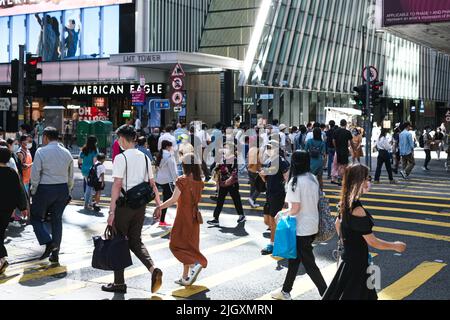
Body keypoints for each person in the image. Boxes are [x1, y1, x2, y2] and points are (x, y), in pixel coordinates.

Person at [323, 164, 406, 300]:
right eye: (367, 178)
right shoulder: (357, 210)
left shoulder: (345, 203)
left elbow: (337, 224)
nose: (369, 182)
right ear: (358, 181)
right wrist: (395, 245)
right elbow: (373, 242)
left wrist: (347, 243)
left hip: (350, 260)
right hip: (357, 264)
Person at [104, 125, 162, 294]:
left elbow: (117, 185)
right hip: (140, 206)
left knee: (118, 241)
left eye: (118, 138)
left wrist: (111, 212)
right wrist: (158, 204)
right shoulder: (144, 157)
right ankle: (153, 269)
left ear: (122, 139)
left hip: (124, 206)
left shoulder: (121, 158)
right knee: (136, 241)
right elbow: (152, 184)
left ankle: (119, 283)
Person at [271, 150, 327, 300]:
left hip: (301, 229)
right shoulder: (313, 178)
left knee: (309, 264)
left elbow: (295, 209)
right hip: (312, 226)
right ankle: (285, 291)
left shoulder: (295, 182)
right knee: (294, 260)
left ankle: (326, 293)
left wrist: (280, 214)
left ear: (294, 163)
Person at [155, 153, 207, 286]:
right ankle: (185, 277)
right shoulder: (200, 182)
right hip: (194, 218)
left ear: (185, 166)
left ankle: (195, 264)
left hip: (183, 217)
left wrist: (159, 207)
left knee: (175, 245)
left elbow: (173, 200)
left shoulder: (182, 181)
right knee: (189, 246)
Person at [30, 127, 74, 263]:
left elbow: (35, 173)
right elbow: (70, 176)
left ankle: (48, 242)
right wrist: (68, 190)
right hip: (62, 189)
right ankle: (55, 254)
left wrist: (33, 189)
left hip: (44, 188)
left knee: (36, 218)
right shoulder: (67, 153)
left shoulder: (41, 151)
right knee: (57, 220)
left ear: (46, 137)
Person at [0, 147, 28, 274]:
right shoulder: (12, 172)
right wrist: (23, 207)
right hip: (7, 209)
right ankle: (2, 259)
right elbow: (20, 191)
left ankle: (2, 258)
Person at [260, 142, 290, 255]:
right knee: (267, 221)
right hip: (269, 193)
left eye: (270, 148)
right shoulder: (268, 161)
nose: (268, 150)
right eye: (267, 148)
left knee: (273, 221)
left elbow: (287, 179)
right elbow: (266, 180)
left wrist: (287, 197)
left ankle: (273, 244)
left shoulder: (282, 162)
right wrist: (263, 177)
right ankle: (277, 241)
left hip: (278, 194)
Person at [207, 143, 246, 226]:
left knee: (236, 200)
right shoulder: (223, 158)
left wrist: (226, 182)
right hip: (223, 183)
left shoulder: (234, 160)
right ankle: (215, 218)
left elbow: (234, 173)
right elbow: (215, 168)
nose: (224, 150)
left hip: (232, 184)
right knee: (220, 201)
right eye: (224, 148)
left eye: (226, 148)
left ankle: (241, 215)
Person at [155, 140, 178, 227]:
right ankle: (162, 220)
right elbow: (173, 171)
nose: (172, 148)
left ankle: (159, 217)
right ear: (168, 147)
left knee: (157, 198)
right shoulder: (169, 156)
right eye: (171, 146)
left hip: (159, 179)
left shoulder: (160, 154)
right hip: (167, 180)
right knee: (167, 201)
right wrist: (176, 181)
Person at [78, 136, 98, 210]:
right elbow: (94, 162)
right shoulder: (94, 151)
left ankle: (89, 203)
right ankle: (86, 204)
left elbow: (80, 160)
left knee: (88, 186)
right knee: (89, 187)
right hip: (91, 171)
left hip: (84, 170)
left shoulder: (84, 149)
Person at [332, 119, 353, 185]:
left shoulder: (336, 131)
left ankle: (337, 178)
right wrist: (353, 149)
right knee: (344, 165)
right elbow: (351, 142)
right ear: (346, 124)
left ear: (340, 124)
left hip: (338, 150)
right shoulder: (348, 132)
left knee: (337, 165)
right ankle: (341, 179)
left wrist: (336, 147)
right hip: (344, 150)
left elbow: (333, 141)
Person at [247, 141, 263, 208]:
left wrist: (248, 167)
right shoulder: (258, 150)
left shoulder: (250, 149)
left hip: (250, 170)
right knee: (260, 187)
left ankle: (252, 201)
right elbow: (259, 160)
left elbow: (247, 158)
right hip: (255, 171)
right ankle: (252, 199)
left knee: (253, 186)